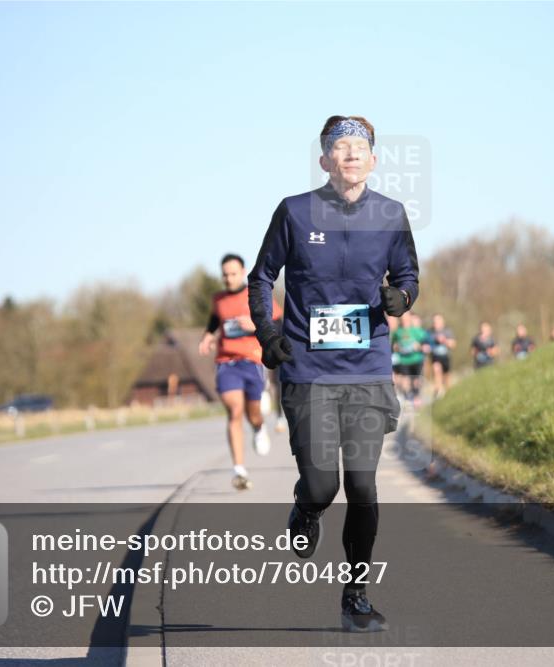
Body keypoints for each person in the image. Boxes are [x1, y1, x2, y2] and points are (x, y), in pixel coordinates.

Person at [248, 115, 418, 633]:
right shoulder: (295, 212)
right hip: (309, 369)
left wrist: (401, 297)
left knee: (363, 486)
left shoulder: (391, 214)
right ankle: (306, 508)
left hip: (367, 370)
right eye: (338, 147)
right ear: (324, 160)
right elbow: (262, 277)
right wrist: (268, 334)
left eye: (358, 147)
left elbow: (408, 273)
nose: (349, 153)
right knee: (323, 484)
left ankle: (356, 594)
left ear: (373, 159)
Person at [198, 253, 282, 491]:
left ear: (243, 272)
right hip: (227, 361)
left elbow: (278, 322)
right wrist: (207, 336)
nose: (229, 278)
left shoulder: (255, 294)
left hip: (252, 360)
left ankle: (258, 427)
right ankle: (239, 470)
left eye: (233, 273)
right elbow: (215, 320)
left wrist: (255, 326)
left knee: (252, 413)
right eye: (225, 275)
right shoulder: (219, 299)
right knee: (234, 410)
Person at [392, 312, 426, 405]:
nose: (404, 319)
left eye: (406, 317)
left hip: (416, 359)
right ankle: (407, 398)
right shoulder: (398, 332)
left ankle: (416, 397)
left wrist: (419, 346)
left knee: (416, 380)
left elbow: (425, 342)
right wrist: (397, 347)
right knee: (405, 380)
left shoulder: (415, 330)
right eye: (402, 317)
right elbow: (394, 344)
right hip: (404, 360)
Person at [426, 313, 456, 398]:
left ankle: (448, 394)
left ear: (443, 322)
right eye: (434, 321)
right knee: (436, 369)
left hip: (446, 357)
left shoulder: (447, 331)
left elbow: (453, 344)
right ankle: (438, 390)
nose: (436, 323)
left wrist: (444, 340)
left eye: (438, 321)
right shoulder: (429, 332)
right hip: (435, 357)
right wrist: (426, 347)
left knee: (446, 378)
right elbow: (425, 344)